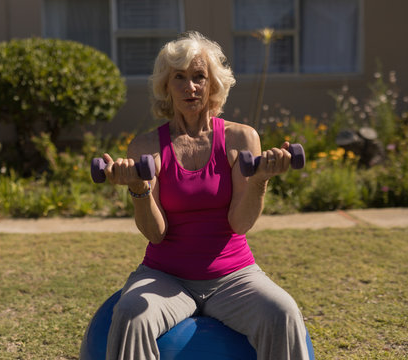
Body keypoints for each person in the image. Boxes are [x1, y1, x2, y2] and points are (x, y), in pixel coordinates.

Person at [100, 31, 309, 360]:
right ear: (166, 87)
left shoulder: (241, 138)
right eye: (179, 78)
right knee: (130, 314)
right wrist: (139, 189)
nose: (190, 87)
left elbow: (240, 224)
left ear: (213, 84)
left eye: (199, 77)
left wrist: (260, 181)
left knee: (282, 312)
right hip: (165, 276)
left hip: (233, 276)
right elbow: (156, 233)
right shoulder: (146, 147)